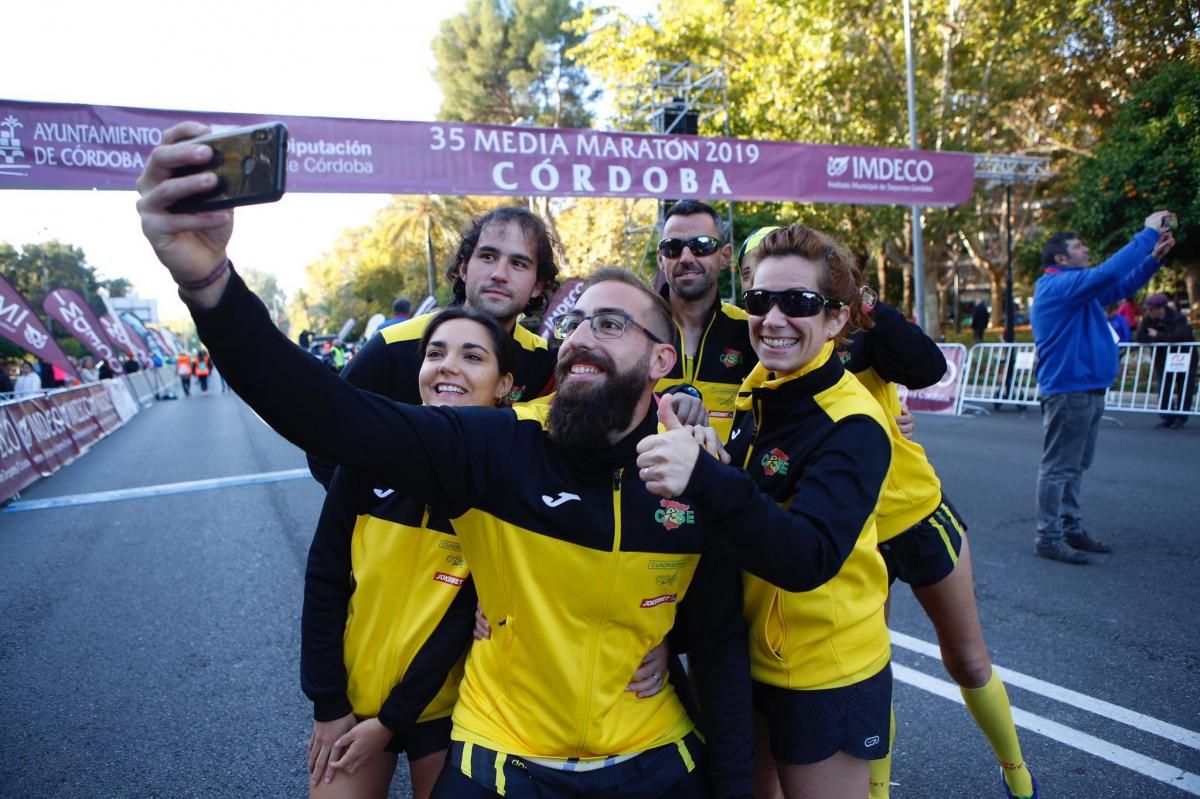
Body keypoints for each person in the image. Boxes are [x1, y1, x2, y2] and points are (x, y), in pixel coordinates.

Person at [136, 121, 752, 799]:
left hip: (652, 755)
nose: (580, 336)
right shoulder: (493, 443)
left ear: (660, 360)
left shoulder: (692, 473)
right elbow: (323, 412)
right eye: (576, 323)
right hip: (496, 751)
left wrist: (670, 635)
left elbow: (725, 635)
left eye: (610, 323)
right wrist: (211, 285)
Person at [639, 223, 894, 799]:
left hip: (825, 671)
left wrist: (705, 478)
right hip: (747, 652)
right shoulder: (763, 384)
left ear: (836, 319)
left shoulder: (853, 423)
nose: (773, 319)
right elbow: (752, 505)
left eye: (798, 302)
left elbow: (808, 556)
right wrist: (716, 460)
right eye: (758, 300)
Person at [840, 301, 1037, 799]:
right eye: (759, 287)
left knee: (968, 661)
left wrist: (870, 306)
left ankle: (1018, 777)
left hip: (917, 515)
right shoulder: (761, 354)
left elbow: (928, 367)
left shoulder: (855, 333)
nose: (778, 304)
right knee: (870, 676)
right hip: (853, 535)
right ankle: (878, 792)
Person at [308, 207, 560, 488]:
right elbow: (324, 439)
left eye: (518, 263)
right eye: (488, 256)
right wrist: (379, 509)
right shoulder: (392, 346)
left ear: (538, 285)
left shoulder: (543, 362)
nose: (500, 274)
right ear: (464, 268)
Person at [1031, 214, 1175, 564]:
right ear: (1061, 259)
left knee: (1074, 466)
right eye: (1079, 247)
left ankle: (1069, 526)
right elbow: (1109, 274)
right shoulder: (1057, 286)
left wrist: (1152, 259)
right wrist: (1148, 233)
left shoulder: (1077, 287)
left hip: (1085, 389)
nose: (1086, 250)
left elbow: (1118, 287)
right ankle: (1048, 536)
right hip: (1070, 390)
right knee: (1059, 467)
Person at [654, 200, 756, 441]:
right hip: (648, 474)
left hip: (726, 475)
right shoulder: (636, 330)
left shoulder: (751, 331)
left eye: (701, 245)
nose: (686, 257)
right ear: (661, 259)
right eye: (673, 247)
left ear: (724, 256)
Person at [1135, 292, 1196, 429]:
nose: (1149, 311)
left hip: (1184, 357)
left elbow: (1179, 337)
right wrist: (1162, 338)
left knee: (1184, 387)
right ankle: (1167, 417)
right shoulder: (1148, 318)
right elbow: (1139, 337)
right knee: (1164, 387)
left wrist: (1158, 335)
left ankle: (1181, 417)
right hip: (1163, 358)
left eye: (1152, 309)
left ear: (1161, 308)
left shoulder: (1178, 318)